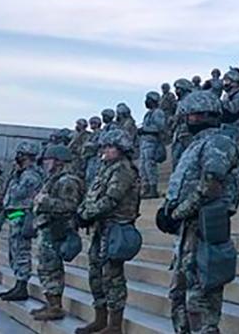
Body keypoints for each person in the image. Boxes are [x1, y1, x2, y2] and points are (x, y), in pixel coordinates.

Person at [160, 90, 239, 334]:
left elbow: (211, 185)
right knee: (179, 297)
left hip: (205, 230)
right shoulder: (195, 146)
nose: (187, 120)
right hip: (189, 231)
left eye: (191, 115)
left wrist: (176, 213)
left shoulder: (219, 142)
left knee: (201, 302)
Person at [75, 129, 140, 334]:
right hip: (100, 228)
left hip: (115, 229)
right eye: (104, 147)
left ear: (121, 149)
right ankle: (100, 319)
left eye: (110, 147)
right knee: (96, 275)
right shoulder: (106, 168)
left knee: (112, 278)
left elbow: (111, 199)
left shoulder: (123, 170)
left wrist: (86, 213)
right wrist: (83, 211)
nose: (105, 151)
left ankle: (114, 325)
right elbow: (93, 196)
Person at [31, 145, 84, 321]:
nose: (45, 163)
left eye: (48, 159)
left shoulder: (67, 181)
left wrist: (44, 201)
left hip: (56, 229)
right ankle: (50, 302)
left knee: (52, 269)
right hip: (47, 228)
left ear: (58, 160)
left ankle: (55, 306)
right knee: (45, 268)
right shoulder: (54, 179)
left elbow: (69, 206)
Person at [0, 141, 43, 301]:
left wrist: (15, 178)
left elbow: (18, 193)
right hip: (15, 213)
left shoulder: (30, 175)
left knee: (21, 249)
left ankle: (22, 284)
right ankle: (18, 282)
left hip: (23, 214)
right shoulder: (21, 173)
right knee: (14, 248)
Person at [139, 91, 167, 199]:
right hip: (145, 142)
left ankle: (153, 189)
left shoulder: (158, 113)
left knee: (150, 166)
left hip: (152, 142)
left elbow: (160, 127)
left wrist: (145, 129)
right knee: (143, 167)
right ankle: (146, 189)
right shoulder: (148, 113)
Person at [171, 78, 195, 170]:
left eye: (178, 89)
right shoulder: (180, 102)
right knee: (176, 158)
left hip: (187, 132)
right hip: (179, 133)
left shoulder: (191, 99)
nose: (177, 91)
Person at [221, 69, 239, 143]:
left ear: (234, 82)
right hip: (225, 126)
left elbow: (234, 109)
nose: (225, 84)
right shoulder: (226, 95)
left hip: (235, 126)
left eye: (227, 81)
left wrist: (221, 104)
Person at [82, 116, 103, 189]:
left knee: (91, 178)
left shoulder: (100, 133)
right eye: (91, 123)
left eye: (94, 123)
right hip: (89, 158)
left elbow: (98, 145)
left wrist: (89, 145)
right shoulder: (92, 134)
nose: (91, 125)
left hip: (95, 158)